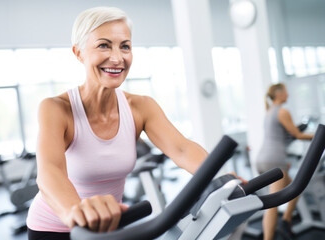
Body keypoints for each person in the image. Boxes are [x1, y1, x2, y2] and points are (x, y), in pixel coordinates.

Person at [26, 7, 215, 240]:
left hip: (109, 225)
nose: (117, 58)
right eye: (104, 45)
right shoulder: (56, 108)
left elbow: (182, 149)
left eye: (125, 46)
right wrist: (76, 212)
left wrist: (221, 180)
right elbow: (49, 171)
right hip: (54, 228)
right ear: (79, 53)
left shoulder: (141, 107)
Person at [255, 83, 314, 240]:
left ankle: (286, 221)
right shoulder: (283, 111)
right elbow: (298, 135)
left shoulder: (269, 112)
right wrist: (319, 135)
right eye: (286, 92)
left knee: (295, 188)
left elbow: (283, 135)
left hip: (263, 159)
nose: (288, 95)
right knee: (273, 203)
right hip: (274, 160)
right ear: (279, 94)